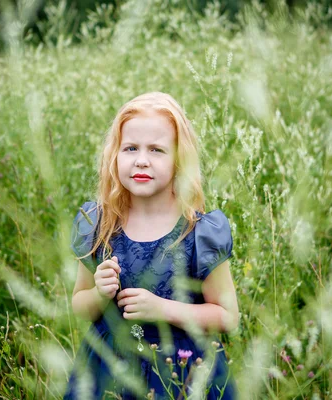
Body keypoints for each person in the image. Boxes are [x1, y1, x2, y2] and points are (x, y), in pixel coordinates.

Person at [64, 92, 239, 399]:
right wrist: (99, 294)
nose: (141, 160)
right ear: (115, 155)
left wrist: (163, 309)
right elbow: (79, 304)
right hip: (109, 371)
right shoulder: (98, 224)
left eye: (157, 150)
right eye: (130, 148)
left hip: (182, 372)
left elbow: (227, 317)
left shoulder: (200, 232)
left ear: (179, 160)